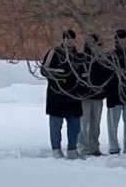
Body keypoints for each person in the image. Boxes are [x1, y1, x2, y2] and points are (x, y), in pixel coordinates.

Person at [41, 29, 85, 157]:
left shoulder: (79, 57)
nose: (69, 41)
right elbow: (44, 70)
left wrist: (81, 89)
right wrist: (60, 77)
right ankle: (56, 149)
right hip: (57, 96)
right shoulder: (54, 53)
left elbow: (84, 75)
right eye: (67, 38)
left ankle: (72, 149)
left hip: (74, 97)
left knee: (75, 125)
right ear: (63, 40)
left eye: (71, 39)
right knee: (56, 125)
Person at [76, 34, 111, 157]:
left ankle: (94, 147)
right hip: (85, 97)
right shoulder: (82, 59)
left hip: (98, 97)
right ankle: (83, 147)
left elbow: (107, 76)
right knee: (83, 124)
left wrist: (103, 90)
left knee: (95, 125)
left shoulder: (102, 60)